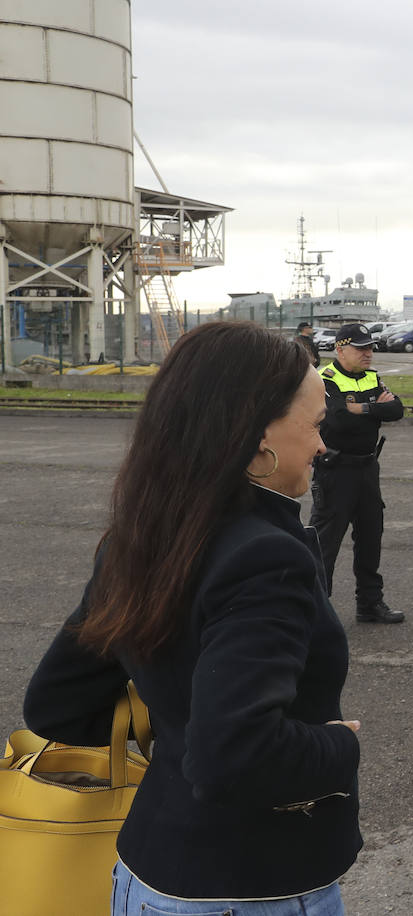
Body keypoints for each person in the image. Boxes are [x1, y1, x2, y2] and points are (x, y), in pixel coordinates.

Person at [24, 321, 362, 913]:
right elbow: (237, 756)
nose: (322, 444)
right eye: (313, 425)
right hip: (250, 888)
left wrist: (182, 733)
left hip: (147, 874)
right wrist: (339, 747)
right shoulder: (266, 557)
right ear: (259, 443)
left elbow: (59, 703)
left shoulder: (142, 536)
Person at [312, 322, 405, 624]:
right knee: (325, 544)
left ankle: (369, 603)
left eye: (370, 348)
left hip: (367, 468)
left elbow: (397, 410)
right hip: (335, 471)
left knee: (370, 538)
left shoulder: (372, 377)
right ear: (340, 348)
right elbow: (338, 420)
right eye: (361, 348)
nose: (368, 353)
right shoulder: (325, 379)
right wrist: (373, 408)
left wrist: (359, 409)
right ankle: (316, 612)